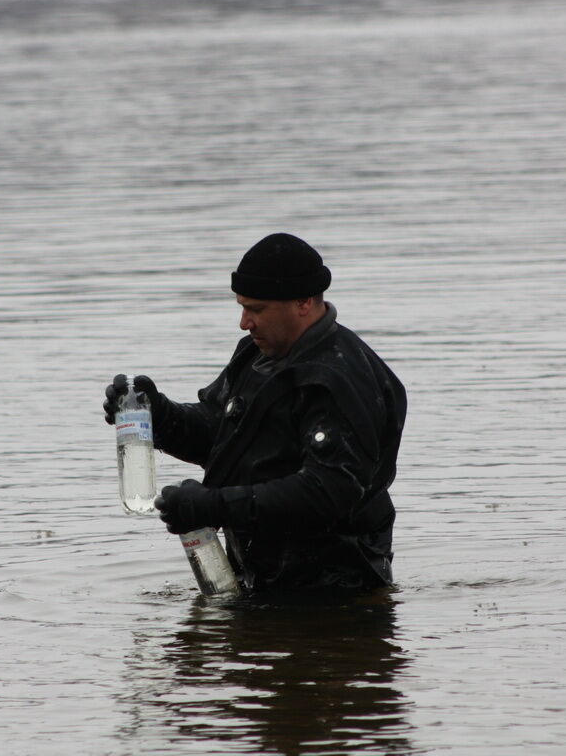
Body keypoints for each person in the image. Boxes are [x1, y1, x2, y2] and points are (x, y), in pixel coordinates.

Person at [103, 233, 406, 593]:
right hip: (263, 581)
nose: (244, 322)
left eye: (257, 309)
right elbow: (222, 434)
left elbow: (328, 493)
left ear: (304, 302)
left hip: (336, 594)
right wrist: (160, 417)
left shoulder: (338, 379)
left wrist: (212, 507)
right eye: (242, 307)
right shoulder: (256, 356)